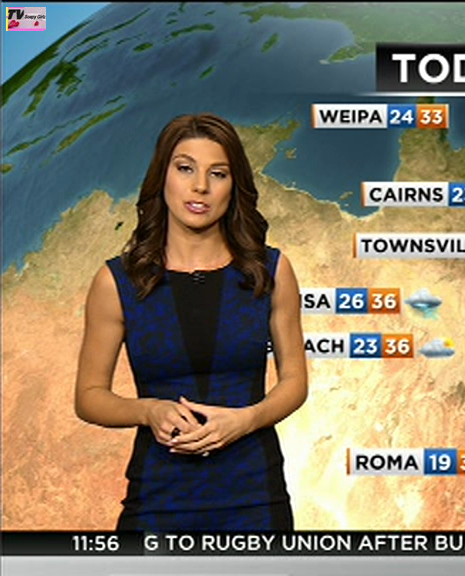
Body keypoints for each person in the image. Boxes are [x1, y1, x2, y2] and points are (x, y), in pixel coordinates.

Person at [74, 113, 308, 531]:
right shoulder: (118, 281)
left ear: (233, 185)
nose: (200, 186)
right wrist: (148, 411)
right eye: (185, 169)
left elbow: (294, 382)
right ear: (162, 176)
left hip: (255, 498)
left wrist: (246, 420)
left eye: (218, 174)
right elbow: (89, 397)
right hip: (157, 501)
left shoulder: (269, 272)